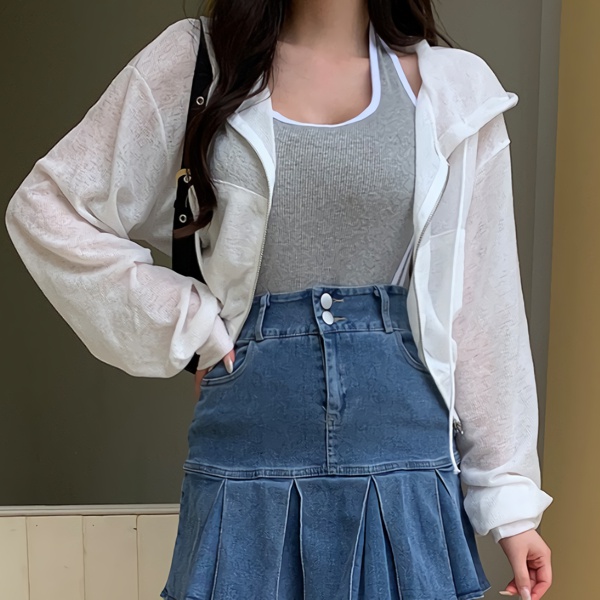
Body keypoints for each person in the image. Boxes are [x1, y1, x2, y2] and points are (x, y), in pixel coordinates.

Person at [5, 1, 554, 598]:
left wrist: (509, 501)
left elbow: (483, 300)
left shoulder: (454, 88)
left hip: (404, 447)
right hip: (251, 436)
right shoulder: (196, 61)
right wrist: (186, 321)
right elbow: (48, 208)